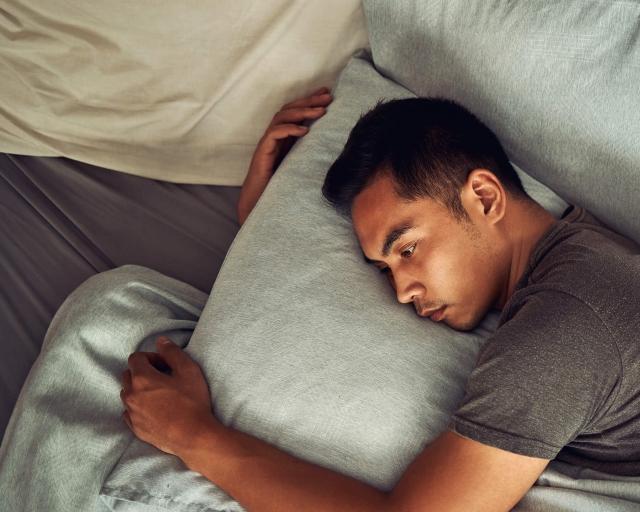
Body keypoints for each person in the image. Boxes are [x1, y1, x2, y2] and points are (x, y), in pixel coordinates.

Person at [120, 90, 640, 511]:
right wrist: (267, 221)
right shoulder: (579, 259)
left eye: (408, 249)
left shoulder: (562, 332)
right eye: (385, 267)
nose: (401, 291)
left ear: (484, 197)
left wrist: (192, 434)